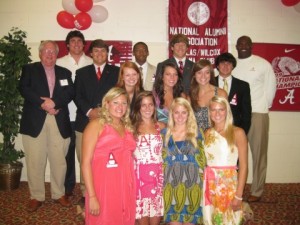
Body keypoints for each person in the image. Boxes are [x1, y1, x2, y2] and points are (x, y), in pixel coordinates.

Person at [19, 40, 74, 212]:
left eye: (53, 52)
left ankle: (59, 194)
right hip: (35, 119)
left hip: (57, 118)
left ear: (57, 55)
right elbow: (24, 89)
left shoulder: (64, 72)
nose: (50, 54)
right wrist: (43, 104)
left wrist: (55, 103)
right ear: (40, 53)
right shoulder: (29, 69)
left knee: (59, 160)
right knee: (35, 160)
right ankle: (36, 196)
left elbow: (70, 92)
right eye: (46, 51)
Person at [82, 87, 136, 225]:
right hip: (104, 187)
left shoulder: (127, 127)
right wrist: (92, 196)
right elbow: (85, 163)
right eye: (115, 102)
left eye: (124, 103)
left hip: (125, 185)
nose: (120, 107)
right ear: (106, 103)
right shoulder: (96, 125)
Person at [74, 39, 119, 202]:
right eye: (96, 51)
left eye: (103, 51)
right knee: (84, 158)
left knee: (106, 158)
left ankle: (104, 190)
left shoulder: (116, 71)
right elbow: (77, 96)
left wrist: (105, 111)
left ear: (107, 54)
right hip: (85, 122)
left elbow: (119, 95)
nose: (100, 54)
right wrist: (90, 111)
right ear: (91, 54)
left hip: (109, 122)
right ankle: (86, 193)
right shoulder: (81, 72)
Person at [232, 35, 277, 202]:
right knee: (234, 154)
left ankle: (257, 191)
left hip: (258, 113)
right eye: (240, 43)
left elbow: (270, 88)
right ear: (236, 46)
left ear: (251, 46)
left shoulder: (262, 64)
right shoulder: (232, 65)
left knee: (259, 155)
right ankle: (235, 189)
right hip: (238, 116)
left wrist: (264, 106)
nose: (243, 46)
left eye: (246, 43)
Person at [56, 30, 93, 197]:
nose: (77, 44)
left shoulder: (91, 62)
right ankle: (68, 186)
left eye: (80, 41)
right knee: (66, 154)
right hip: (63, 115)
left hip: (84, 117)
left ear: (84, 44)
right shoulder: (59, 63)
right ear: (68, 44)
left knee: (85, 154)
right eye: (73, 41)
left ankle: (88, 188)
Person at [203, 96, 248, 225]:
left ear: (227, 111)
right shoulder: (207, 133)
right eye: (213, 110)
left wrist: (239, 195)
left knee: (229, 220)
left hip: (228, 184)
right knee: (211, 220)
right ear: (209, 112)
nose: (217, 113)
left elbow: (244, 166)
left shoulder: (238, 132)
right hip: (210, 183)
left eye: (221, 109)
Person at [162, 97, 205, 225]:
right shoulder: (164, 134)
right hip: (171, 187)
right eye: (176, 112)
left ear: (189, 114)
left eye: (183, 112)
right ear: (172, 114)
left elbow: (204, 162)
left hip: (193, 187)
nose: (180, 116)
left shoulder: (198, 134)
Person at [131, 91, 165, 225]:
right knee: (142, 219)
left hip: (156, 178)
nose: (147, 108)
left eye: (150, 104)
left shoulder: (161, 127)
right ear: (138, 107)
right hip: (139, 179)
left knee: (155, 220)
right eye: (143, 105)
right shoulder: (132, 128)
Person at [215, 52, 252, 134]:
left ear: (233, 66)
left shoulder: (243, 86)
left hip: (235, 128)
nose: (225, 66)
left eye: (228, 63)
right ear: (217, 66)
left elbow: (246, 113)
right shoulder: (210, 83)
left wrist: (243, 132)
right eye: (222, 63)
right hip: (214, 128)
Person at [189, 59, 227, 131]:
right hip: (196, 138)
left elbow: (227, 119)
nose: (203, 76)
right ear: (194, 75)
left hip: (216, 136)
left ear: (211, 74)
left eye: (207, 72)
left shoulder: (221, 93)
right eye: (199, 72)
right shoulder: (190, 96)